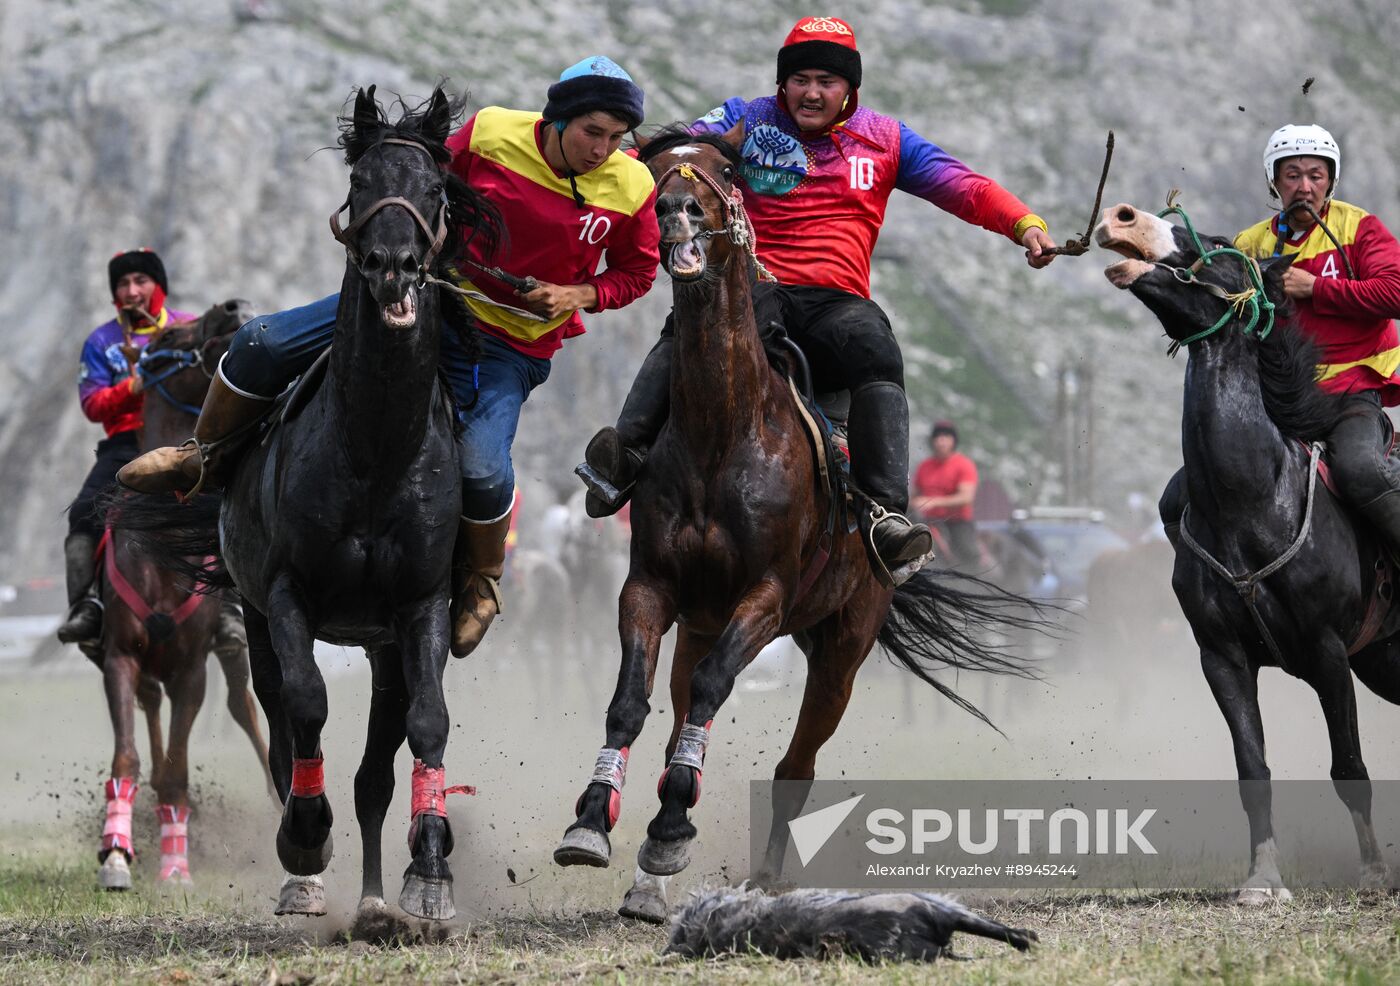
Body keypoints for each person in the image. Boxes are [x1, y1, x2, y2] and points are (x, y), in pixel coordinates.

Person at [119, 59, 661, 657]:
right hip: (422, 299)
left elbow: (637, 273)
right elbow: (412, 179)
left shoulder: (632, 186)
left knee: (483, 468)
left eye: (616, 138)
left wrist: (578, 293)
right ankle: (203, 455)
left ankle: (481, 580)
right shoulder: (488, 134)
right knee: (260, 343)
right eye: (592, 132)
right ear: (557, 117)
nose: (603, 149)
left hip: (511, 344)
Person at [577, 16, 1056, 587]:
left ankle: (885, 515)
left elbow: (964, 186)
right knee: (690, 322)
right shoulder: (742, 118)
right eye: (799, 78)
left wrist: (1023, 223)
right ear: (782, 84)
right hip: (755, 287)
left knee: (878, 349)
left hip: (836, 303)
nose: (811, 91)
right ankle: (625, 457)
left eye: (826, 81)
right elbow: (667, 158)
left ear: (850, 88)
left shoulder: (886, 139)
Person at [1164, 124, 1400, 548]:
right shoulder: (1249, 243)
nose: (1305, 187)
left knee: (1360, 470)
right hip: (1278, 399)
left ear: (1331, 181)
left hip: (1350, 393)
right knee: (1176, 498)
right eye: (1292, 175)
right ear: (1274, 181)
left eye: (1316, 175)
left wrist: (1316, 289)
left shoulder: (1359, 228)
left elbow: (1395, 293)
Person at [57, 251, 199, 650]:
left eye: (140, 280)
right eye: (122, 284)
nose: (131, 291)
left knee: (229, 503)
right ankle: (86, 607)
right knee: (85, 509)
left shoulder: (189, 328)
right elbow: (92, 404)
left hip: (183, 443)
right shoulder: (101, 342)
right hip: (124, 446)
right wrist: (132, 388)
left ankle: (232, 608)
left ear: (159, 285)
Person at [912, 420, 980, 569]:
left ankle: (975, 576)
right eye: (938, 437)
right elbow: (914, 495)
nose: (941, 441)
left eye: (946, 437)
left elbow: (966, 498)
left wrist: (934, 502)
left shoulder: (964, 464)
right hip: (928, 520)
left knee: (967, 551)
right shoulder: (924, 466)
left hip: (956, 522)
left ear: (953, 441)